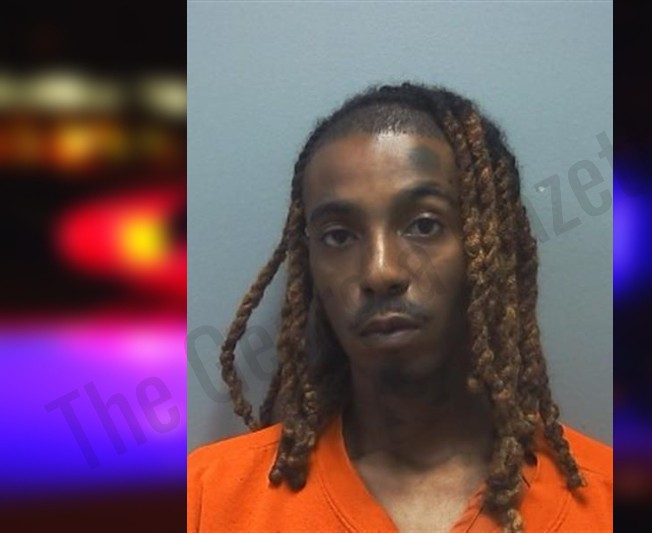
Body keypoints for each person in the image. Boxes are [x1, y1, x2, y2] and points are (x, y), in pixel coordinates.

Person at [187, 82, 612, 532]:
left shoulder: (603, 503)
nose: (380, 271)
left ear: (489, 246)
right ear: (309, 265)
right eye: (339, 235)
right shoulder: (207, 499)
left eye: (424, 225)